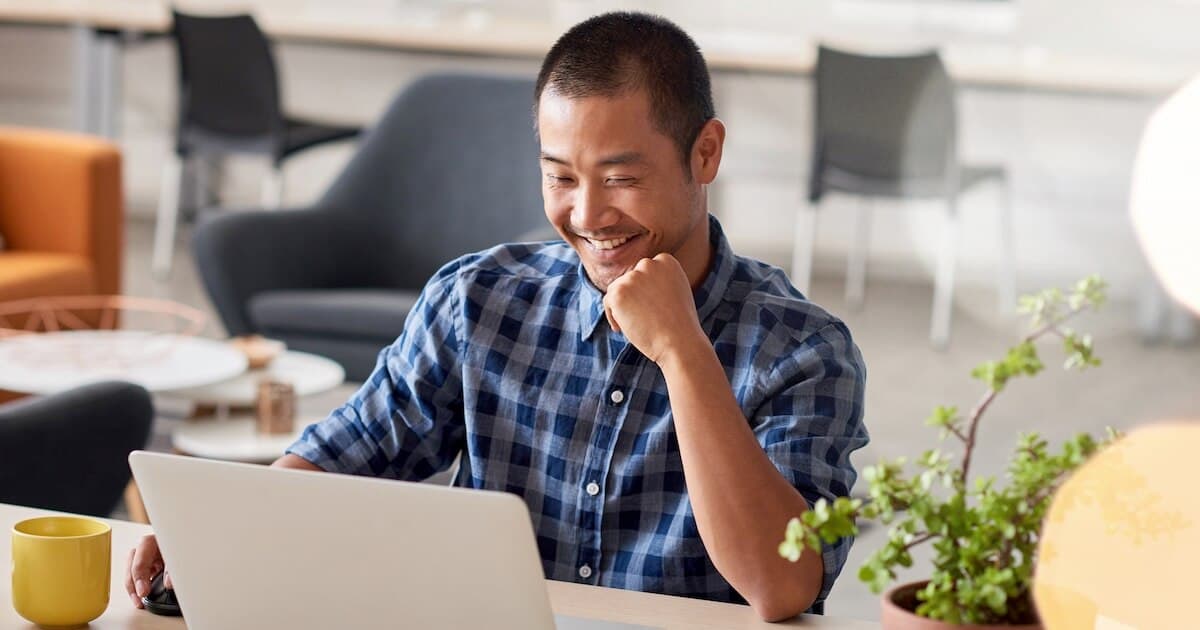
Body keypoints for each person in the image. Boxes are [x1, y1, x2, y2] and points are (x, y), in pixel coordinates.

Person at [126, 12, 868, 621]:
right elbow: (350, 449)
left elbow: (782, 585)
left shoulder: (804, 351)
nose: (586, 214)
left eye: (622, 178)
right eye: (559, 175)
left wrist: (682, 351)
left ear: (704, 154)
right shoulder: (479, 300)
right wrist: (216, 528)